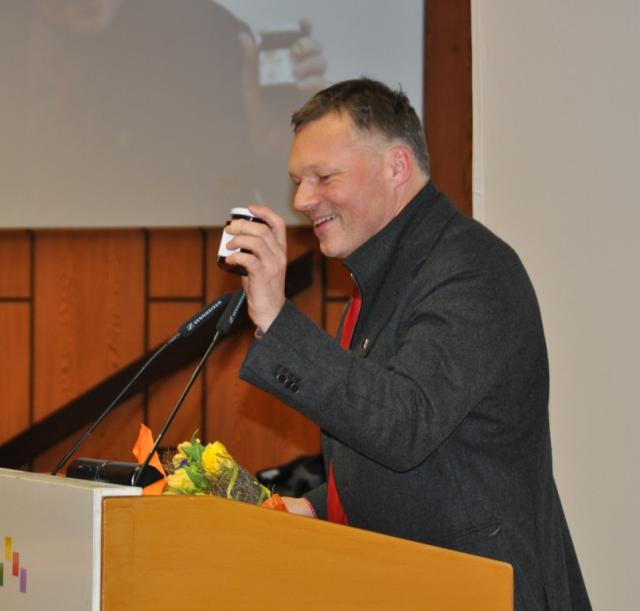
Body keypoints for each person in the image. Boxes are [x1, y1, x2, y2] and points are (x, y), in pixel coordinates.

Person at [224, 78, 591, 610]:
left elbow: (405, 424)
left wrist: (278, 320)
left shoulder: (471, 270)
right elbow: (426, 457)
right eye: (298, 182)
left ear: (397, 167)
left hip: (481, 592)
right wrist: (314, 507)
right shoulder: (385, 279)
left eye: (324, 177)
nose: (302, 200)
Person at [0, 0, 326, 222]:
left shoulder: (206, 34)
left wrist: (278, 142)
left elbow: (266, 194)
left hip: (180, 262)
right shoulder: (14, 30)